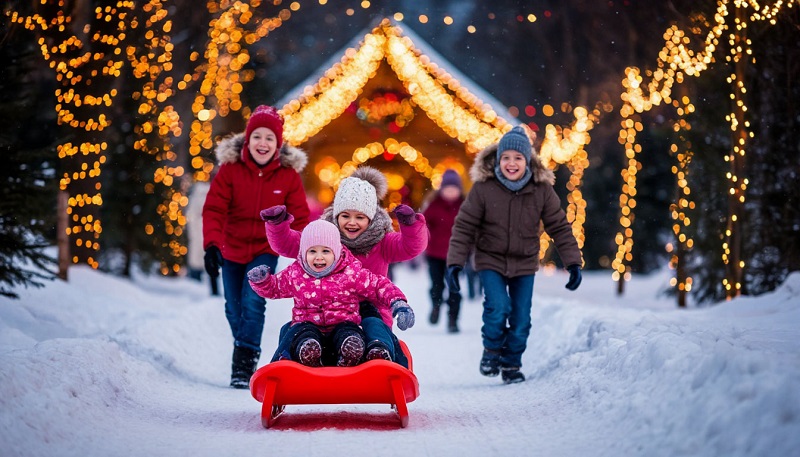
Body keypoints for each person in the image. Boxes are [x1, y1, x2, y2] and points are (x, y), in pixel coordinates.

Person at [445, 125, 583, 385]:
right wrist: (455, 263)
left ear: (528, 160)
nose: (511, 163)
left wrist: (573, 262)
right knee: (498, 307)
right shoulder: (484, 189)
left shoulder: (541, 190)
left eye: (518, 158)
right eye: (506, 157)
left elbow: (559, 226)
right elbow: (464, 227)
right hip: (491, 260)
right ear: (498, 160)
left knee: (521, 318)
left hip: (524, 262)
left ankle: (511, 363)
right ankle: (491, 351)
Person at [261, 166, 428, 368]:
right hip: (327, 311)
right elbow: (290, 244)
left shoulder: (381, 241)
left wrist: (410, 225)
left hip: (370, 310)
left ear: (370, 219)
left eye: (360, 217)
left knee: (373, 325)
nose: (352, 223)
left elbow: (410, 247)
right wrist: (278, 225)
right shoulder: (324, 239)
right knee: (293, 329)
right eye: (345, 216)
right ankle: (293, 359)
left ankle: (379, 354)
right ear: (336, 215)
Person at [202, 105, 311, 388]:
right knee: (233, 307)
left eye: (269, 138)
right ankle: (244, 343)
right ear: (247, 140)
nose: (263, 143)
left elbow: (300, 217)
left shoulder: (288, 175)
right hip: (231, 247)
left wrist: (304, 250)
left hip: (265, 248)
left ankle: (243, 365)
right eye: (257, 137)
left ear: (278, 144)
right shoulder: (230, 170)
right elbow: (214, 209)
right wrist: (211, 245)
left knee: (253, 301)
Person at [246, 220, 415, 367]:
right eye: (312, 251)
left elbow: (378, 286)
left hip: (342, 325)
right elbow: (275, 287)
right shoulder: (295, 274)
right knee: (299, 332)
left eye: (325, 251)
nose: (319, 257)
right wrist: (262, 281)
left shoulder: (350, 273)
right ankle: (307, 352)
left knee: (350, 333)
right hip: (308, 325)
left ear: (336, 251)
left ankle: (350, 352)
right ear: (303, 253)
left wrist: (398, 302)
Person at [421, 169, 465, 333]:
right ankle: (436, 305)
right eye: (448, 189)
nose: (451, 193)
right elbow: (424, 224)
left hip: (455, 255)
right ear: (442, 190)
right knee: (436, 284)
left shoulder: (464, 206)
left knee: (454, 287)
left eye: (454, 189)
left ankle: (453, 319)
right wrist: (426, 237)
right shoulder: (434, 205)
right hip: (435, 254)